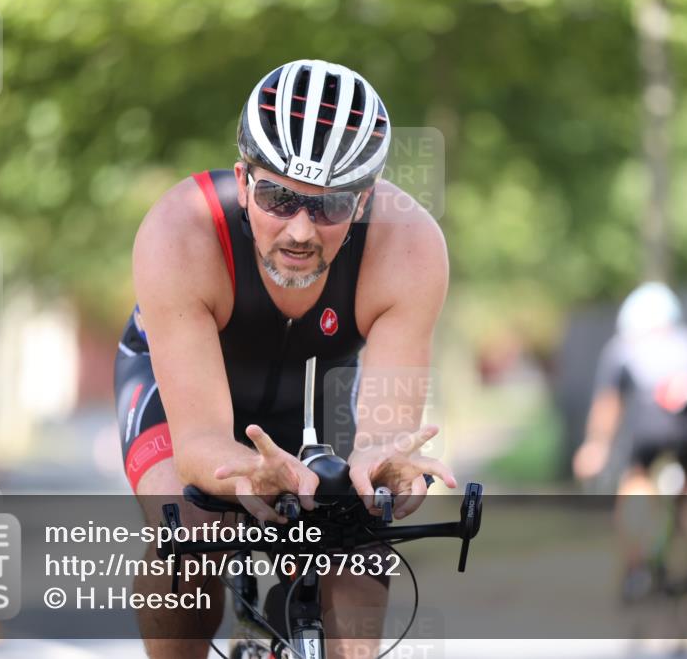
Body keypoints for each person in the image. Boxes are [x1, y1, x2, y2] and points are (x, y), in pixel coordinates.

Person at [114, 59, 456, 659]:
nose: (300, 231)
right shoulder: (180, 229)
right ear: (244, 182)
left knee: (356, 542)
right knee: (191, 536)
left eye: (330, 207)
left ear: (364, 201)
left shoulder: (408, 247)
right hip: (181, 394)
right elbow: (199, 445)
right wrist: (246, 473)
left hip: (315, 396)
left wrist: (381, 464)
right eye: (278, 197)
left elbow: (382, 435)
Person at [573, 282, 687, 601]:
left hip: (651, 424)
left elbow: (609, 402)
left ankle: (636, 568)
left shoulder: (623, 347)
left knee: (636, 483)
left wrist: (596, 445)